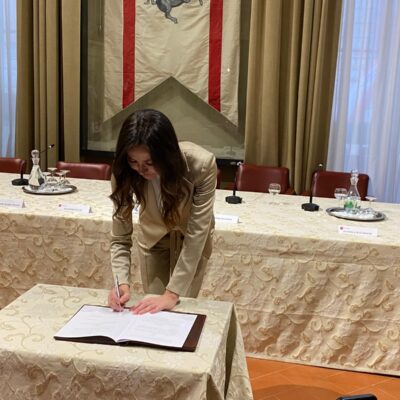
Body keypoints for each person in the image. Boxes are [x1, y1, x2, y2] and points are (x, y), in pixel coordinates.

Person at [108, 109, 217, 314]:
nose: (141, 170)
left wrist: (172, 294)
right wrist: (120, 282)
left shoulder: (201, 165)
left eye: (149, 162)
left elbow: (197, 232)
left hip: (191, 240)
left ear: (167, 154)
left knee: (180, 307)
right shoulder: (123, 171)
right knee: (152, 308)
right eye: (134, 161)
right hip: (153, 238)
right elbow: (120, 236)